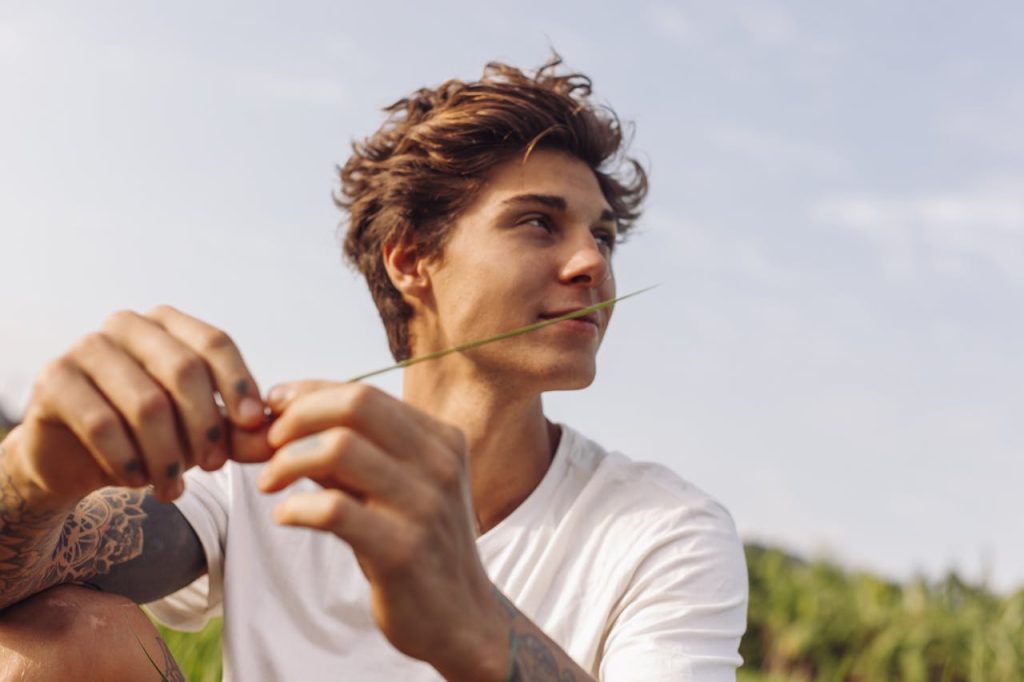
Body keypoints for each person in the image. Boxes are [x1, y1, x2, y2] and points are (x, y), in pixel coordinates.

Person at [0, 56, 747, 680]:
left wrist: (480, 631)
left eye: (604, 237)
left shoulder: (664, 531)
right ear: (412, 259)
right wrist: (35, 477)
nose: (591, 262)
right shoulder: (272, 466)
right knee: (64, 635)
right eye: (537, 222)